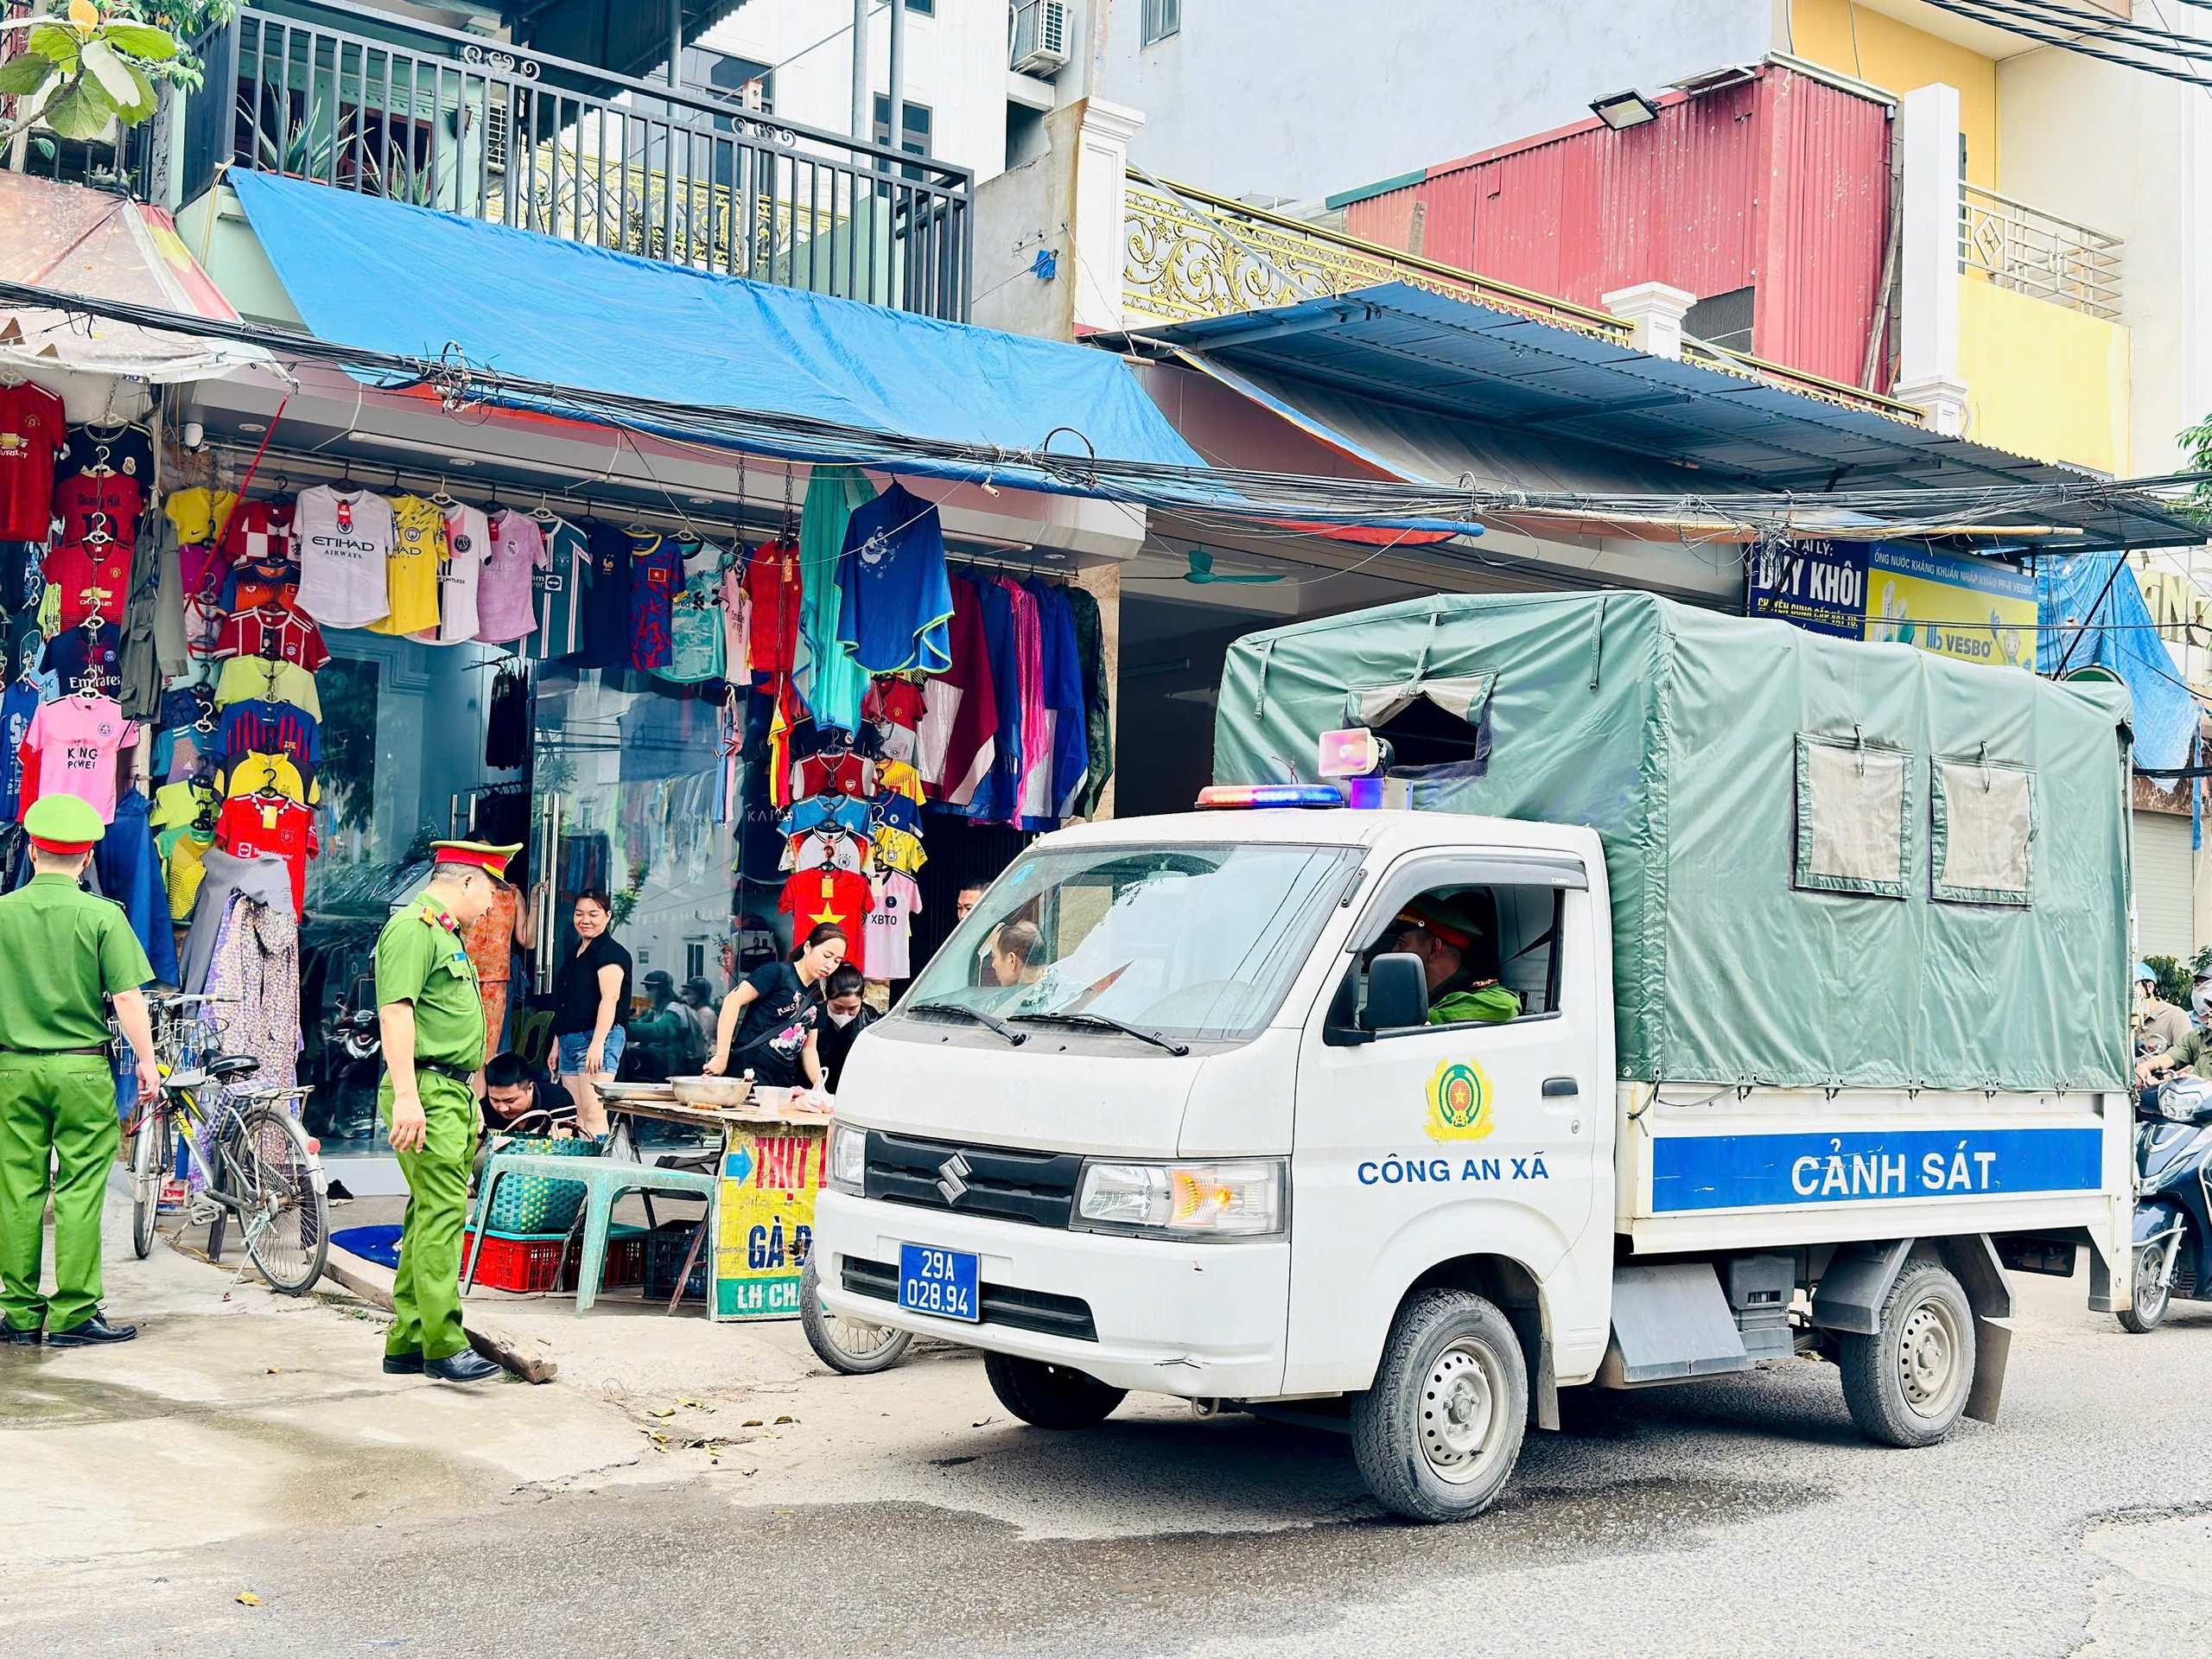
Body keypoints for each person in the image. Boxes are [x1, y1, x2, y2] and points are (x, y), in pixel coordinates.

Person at [0, 796, 159, 1347]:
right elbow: (127, 998)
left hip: (11, 1070)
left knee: (16, 1190)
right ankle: (72, 1315)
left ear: (32, 850)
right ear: (88, 857)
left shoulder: (2, 914)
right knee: (78, 1190)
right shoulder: (103, 916)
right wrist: (148, 1061)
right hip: (82, 1071)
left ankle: (18, 1315)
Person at [374, 841, 508, 1383]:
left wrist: (471, 1098)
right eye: (491, 894)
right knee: (443, 1214)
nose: (492, 908)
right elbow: (396, 1012)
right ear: (469, 882)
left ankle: (407, 1342)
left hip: (446, 1090)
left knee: (427, 1209)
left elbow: (453, 1025)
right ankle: (443, 1343)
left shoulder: (441, 934)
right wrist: (408, 1095)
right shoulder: (413, 929)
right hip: (425, 1088)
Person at [702, 923, 843, 1098]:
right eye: (826, 955)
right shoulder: (777, 973)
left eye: (837, 961)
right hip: (748, 1074)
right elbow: (732, 1001)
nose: (830, 965)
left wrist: (818, 1084)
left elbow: (809, 1049)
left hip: (781, 1084)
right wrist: (721, 1057)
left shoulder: (817, 997)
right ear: (808, 947)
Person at [551, 890, 630, 1137]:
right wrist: (556, 1045)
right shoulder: (575, 953)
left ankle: (600, 1173)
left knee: (595, 1112)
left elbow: (610, 1000)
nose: (585, 920)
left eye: (593, 914)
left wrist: (598, 1044)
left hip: (596, 1039)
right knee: (578, 1115)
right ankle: (581, 1171)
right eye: (579, 913)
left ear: (607, 916)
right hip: (569, 1039)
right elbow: (565, 1004)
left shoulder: (611, 953)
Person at [461, 861, 541, 1061]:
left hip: (497, 982)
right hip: (462, 976)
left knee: (492, 1051)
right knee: (461, 1043)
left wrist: (535, 903)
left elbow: (527, 941)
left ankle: (487, 1093)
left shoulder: (510, 893)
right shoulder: (461, 890)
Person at [478, 1051, 579, 1139]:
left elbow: (556, 1147)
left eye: (510, 1101)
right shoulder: (485, 1107)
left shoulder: (557, 1099)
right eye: (495, 1100)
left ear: (530, 1088)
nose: (503, 1108)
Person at [813, 963, 880, 1094]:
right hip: (813, 1089)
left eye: (852, 1009)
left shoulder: (871, 1021)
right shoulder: (813, 1016)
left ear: (863, 998)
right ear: (826, 995)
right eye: (838, 1008)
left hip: (853, 1090)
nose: (845, 1015)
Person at [629, 969, 702, 1077]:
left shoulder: (675, 1008)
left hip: (677, 1063)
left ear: (660, 989)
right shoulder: (657, 1009)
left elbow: (660, 1031)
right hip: (662, 1058)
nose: (647, 992)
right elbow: (642, 1023)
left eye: (649, 988)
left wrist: (626, 1028)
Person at [2134, 963, 2191, 1060]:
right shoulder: (2122, 1019)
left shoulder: (2176, 1016)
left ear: (2150, 987)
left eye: (2133, 988)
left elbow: (2186, 1056)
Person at [990, 919, 1048, 988]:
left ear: (1011, 960)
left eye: (994, 956)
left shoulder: (1013, 998)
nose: (993, 965)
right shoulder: (1054, 990)